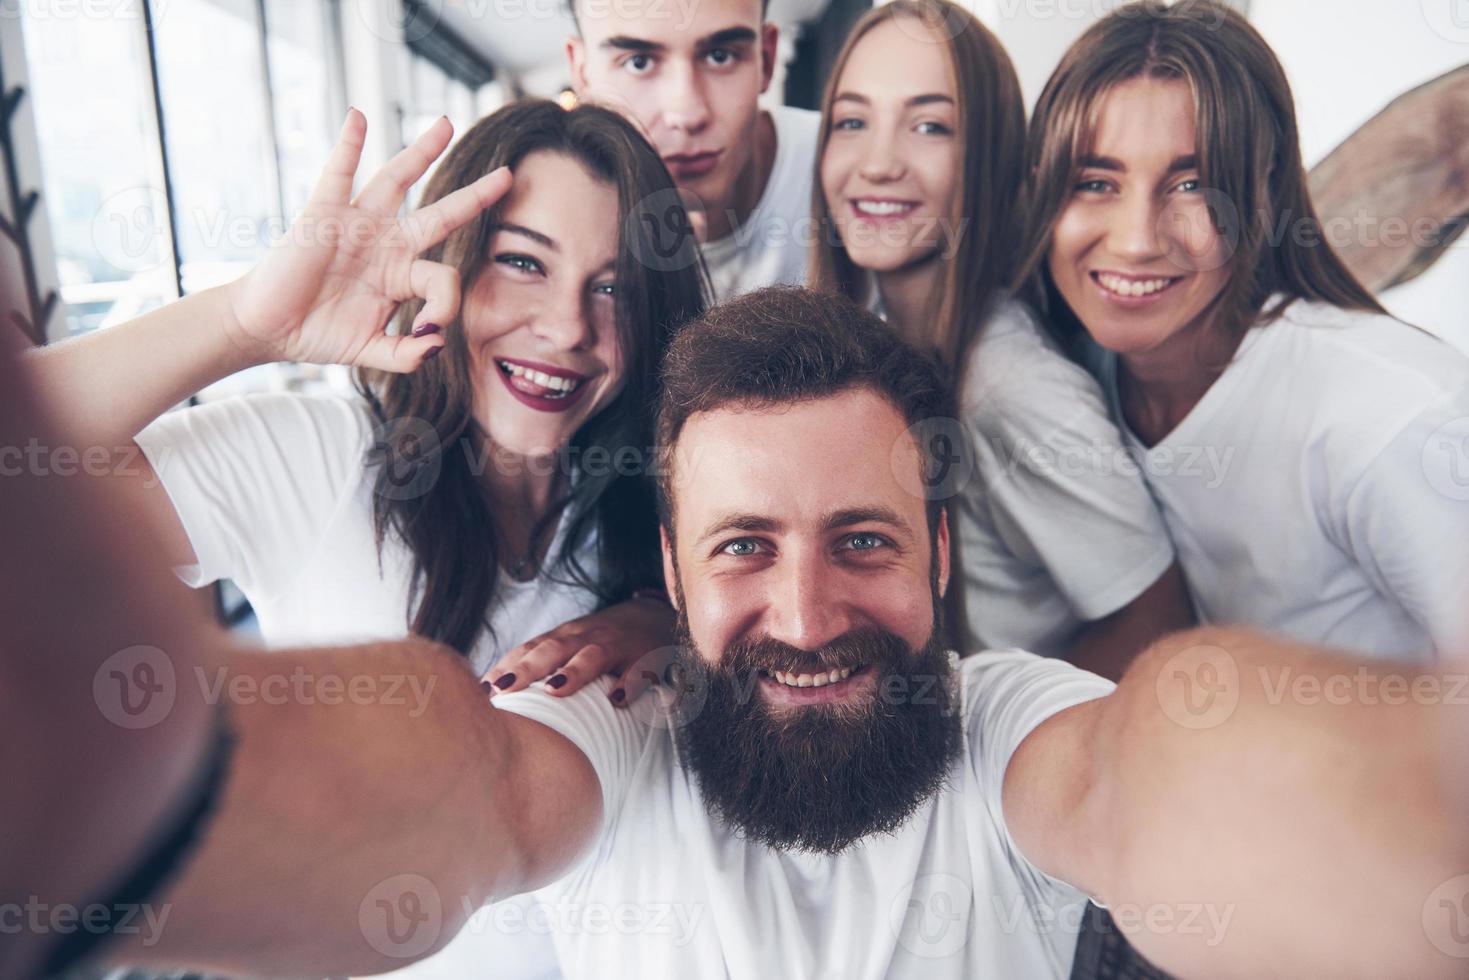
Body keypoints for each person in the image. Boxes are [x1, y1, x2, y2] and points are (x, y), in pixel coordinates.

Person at [100, 287, 1469, 979]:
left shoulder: (1006, 723)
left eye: (862, 543)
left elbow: (1154, 768)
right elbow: (468, 781)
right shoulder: (609, 731)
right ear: (674, 585)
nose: (808, 617)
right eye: (743, 549)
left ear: (936, 552)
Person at [24, 98, 705, 978]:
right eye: (522, 263)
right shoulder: (322, 455)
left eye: (611, 287)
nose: (569, 326)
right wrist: (242, 326)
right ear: (449, 265)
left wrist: (667, 620)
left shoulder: (662, 495)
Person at [1019, 0, 1469, 661]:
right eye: (1094, 182)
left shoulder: (1392, 414)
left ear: (1264, 193)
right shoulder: (1065, 381)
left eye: (1191, 184)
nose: (1137, 241)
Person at [810, 0, 1191, 679]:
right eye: (851, 121)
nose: (876, 163)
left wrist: (981, 737)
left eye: (929, 125)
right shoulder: (879, 335)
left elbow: (1156, 620)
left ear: (987, 155)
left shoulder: (1008, 383)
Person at [565, 0, 820, 300]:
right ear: (582, 73)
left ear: (767, 59)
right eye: (639, 62)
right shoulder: (550, 217)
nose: (687, 116)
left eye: (720, 56)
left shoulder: (848, 165)